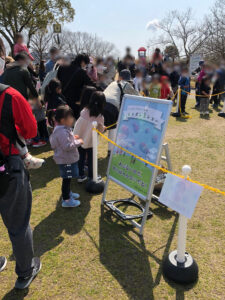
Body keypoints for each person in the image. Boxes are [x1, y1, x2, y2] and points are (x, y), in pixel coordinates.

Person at [0, 83, 41, 289]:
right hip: (8, 165)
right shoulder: (10, 95)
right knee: (19, 222)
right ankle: (25, 271)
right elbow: (31, 129)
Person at [49, 106, 83, 208]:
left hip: (66, 159)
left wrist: (73, 138)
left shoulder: (62, 128)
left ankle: (68, 193)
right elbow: (67, 146)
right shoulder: (61, 131)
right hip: (65, 160)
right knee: (67, 179)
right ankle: (66, 200)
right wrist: (79, 142)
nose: (73, 119)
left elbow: (66, 140)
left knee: (68, 179)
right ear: (63, 120)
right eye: (70, 117)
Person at [103, 69, 139, 155]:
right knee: (112, 128)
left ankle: (90, 154)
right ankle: (110, 151)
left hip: (100, 103)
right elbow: (137, 96)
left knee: (97, 130)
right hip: (111, 106)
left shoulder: (112, 83)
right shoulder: (126, 84)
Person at [74, 91, 105, 181]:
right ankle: (92, 176)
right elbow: (100, 130)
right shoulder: (100, 117)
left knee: (81, 157)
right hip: (90, 142)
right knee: (91, 159)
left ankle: (80, 175)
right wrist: (103, 127)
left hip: (79, 138)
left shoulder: (84, 111)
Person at [57, 53, 96, 119]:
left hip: (60, 99)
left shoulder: (62, 67)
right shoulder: (81, 72)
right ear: (82, 62)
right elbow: (90, 84)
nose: (85, 66)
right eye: (85, 64)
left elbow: (57, 80)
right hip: (73, 102)